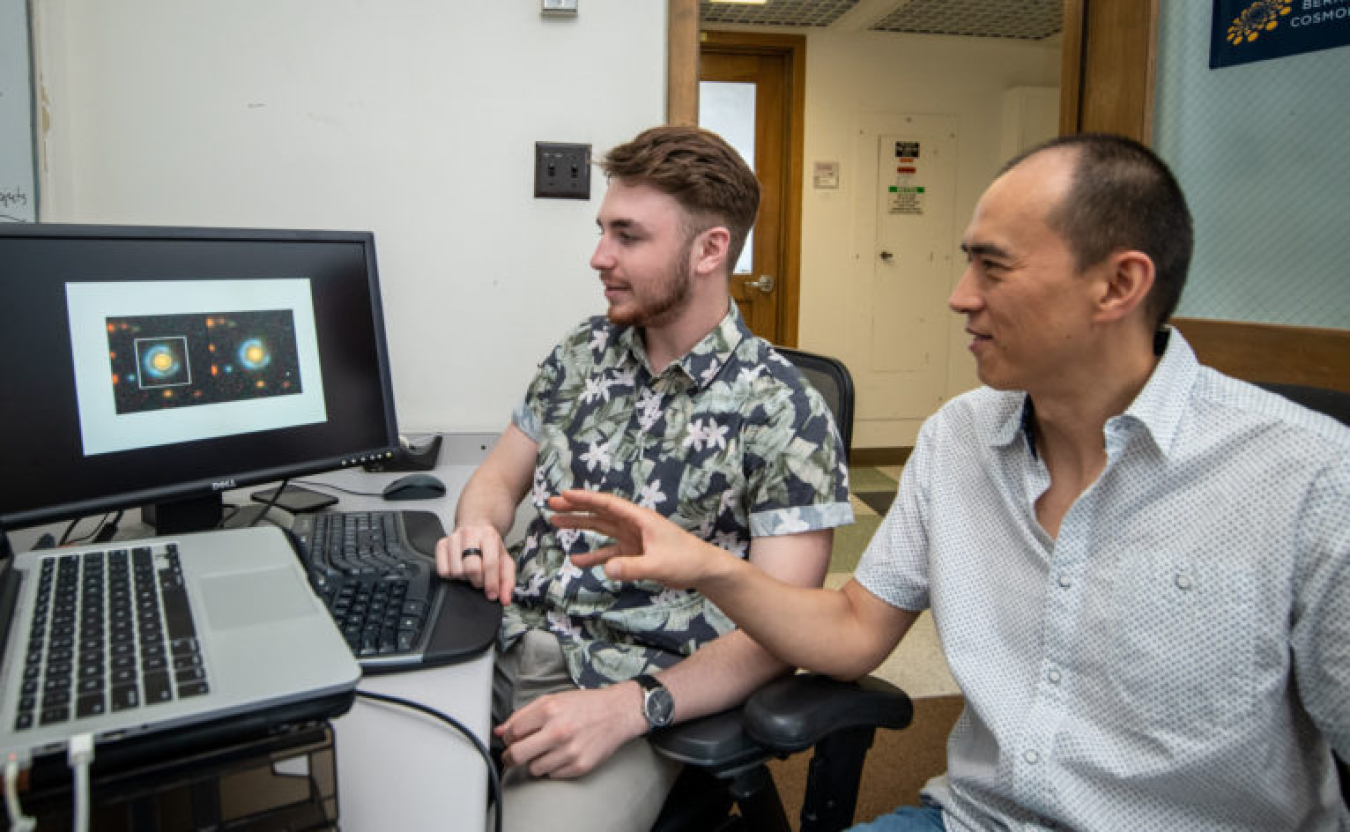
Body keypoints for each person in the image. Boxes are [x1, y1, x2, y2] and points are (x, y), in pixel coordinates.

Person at [549, 133, 1350, 830]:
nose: (959, 296)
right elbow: (855, 631)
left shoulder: (1306, 479)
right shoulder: (960, 437)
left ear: (1118, 286)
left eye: (992, 268)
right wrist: (709, 566)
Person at [434, 124, 852, 832]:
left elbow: (784, 634)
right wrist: (479, 529)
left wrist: (632, 706)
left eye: (628, 236)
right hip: (497, 645)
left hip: (630, 691)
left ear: (710, 249)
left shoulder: (784, 409)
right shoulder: (581, 352)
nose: (599, 257)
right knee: (369, 769)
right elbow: (497, 481)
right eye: (604, 230)